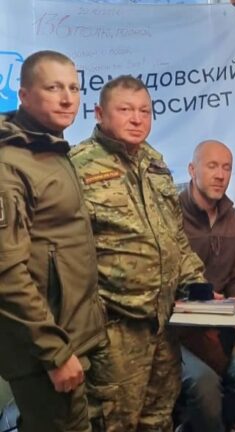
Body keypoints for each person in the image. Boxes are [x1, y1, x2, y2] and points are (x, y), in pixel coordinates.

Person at [69, 75, 207, 431]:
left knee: (159, 421)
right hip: (114, 332)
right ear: (100, 113)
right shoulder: (77, 167)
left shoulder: (154, 162)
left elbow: (174, 236)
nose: (136, 119)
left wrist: (198, 287)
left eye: (145, 111)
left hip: (162, 328)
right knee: (114, 424)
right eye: (125, 110)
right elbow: (64, 255)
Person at [0, 50, 107, 432]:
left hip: (72, 337)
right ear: (24, 95)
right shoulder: (10, 164)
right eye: (53, 88)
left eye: (74, 88)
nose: (67, 98)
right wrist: (54, 353)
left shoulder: (51, 150)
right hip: (45, 352)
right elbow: (6, 275)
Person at [178, 140, 235, 431]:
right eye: (212, 166)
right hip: (179, 330)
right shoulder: (170, 215)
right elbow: (164, 280)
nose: (220, 175)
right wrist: (203, 299)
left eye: (227, 167)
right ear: (192, 170)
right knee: (204, 385)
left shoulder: (233, 219)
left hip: (220, 326)